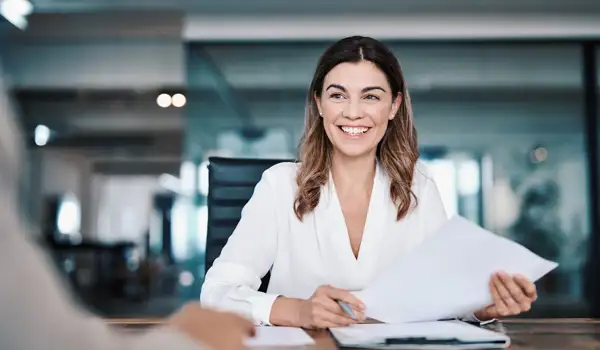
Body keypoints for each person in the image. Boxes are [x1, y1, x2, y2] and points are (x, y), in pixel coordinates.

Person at [200, 36, 538, 330]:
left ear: (394, 106)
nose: (353, 112)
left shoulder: (417, 186)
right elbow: (216, 293)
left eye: (371, 97)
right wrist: (300, 310)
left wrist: (484, 308)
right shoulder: (280, 185)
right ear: (319, 104)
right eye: (338, 95)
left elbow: (443, 293)